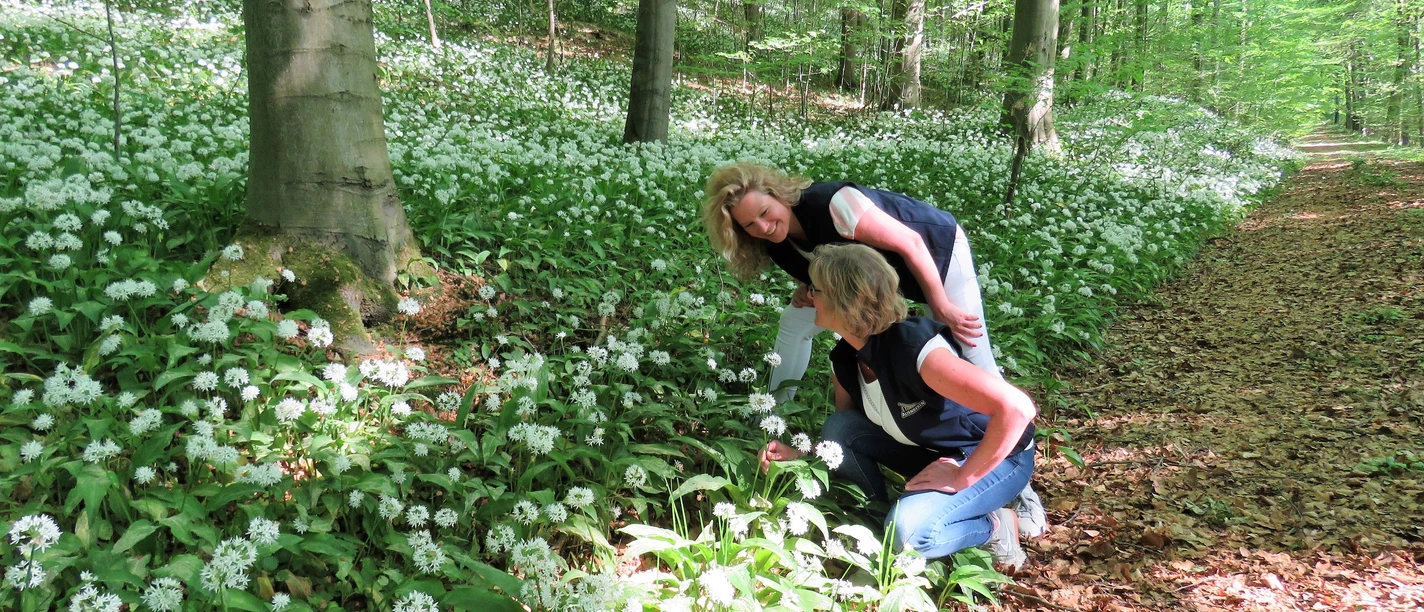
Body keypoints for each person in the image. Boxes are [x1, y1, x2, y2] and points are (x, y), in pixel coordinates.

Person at [702, 162, 1047, 537]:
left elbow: (911, 244)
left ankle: (1012, 485)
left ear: (778, 194)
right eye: (750, 225)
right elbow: (836, 286)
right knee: (795, 323)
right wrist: (802, 455)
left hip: (935, 255)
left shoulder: (833, 203)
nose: (763, 228)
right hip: (867, 288)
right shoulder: (781, 247)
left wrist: (942, 306)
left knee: (977, 365)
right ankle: (772, 411)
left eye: (765, 214)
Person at [757, 244, 1038, 567]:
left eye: (815, 289)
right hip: (931, 450)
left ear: (846, 300)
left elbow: (1018, 409)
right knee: (842, 427)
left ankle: (995, 527)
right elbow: (840, 444)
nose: (807, 297)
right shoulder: (846, 358)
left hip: (997, 455)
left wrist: (963, 477)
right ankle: (875, 515)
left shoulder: (917, 350)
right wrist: (799, 458)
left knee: (906, 533)